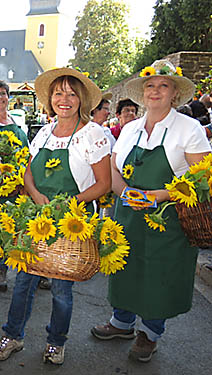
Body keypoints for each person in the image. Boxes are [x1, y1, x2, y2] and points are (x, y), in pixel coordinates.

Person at [0, 67, 111, 365]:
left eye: (71, 93)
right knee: (23, 283)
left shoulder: (92, 134)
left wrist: (71, 202)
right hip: (36, 218)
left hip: (72, 223)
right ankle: (13, 336)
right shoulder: (44, 131)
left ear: (81, 98)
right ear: (50, 99)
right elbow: (28, 171)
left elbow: (104, 183)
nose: (64, 99)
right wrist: (34, 194)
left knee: (61, 289)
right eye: (58, 93)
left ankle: (56, 342)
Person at [91, 60, 211, 363]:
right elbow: (114, 169)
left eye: (163, 85)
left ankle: (150, 333)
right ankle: (122, 323)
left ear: (174, 94)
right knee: (125, 267)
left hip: (168, 219)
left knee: (160, 272)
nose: (155, 91)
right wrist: (123, 192)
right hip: (128, 214)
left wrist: (158, 195)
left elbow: (202, 179)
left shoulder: (189, 129)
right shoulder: (130, 128)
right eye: (150, 86)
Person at [0, 80, 50, 291]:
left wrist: (27, 180)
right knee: (1, 227)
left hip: (21, 184)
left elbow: (27, 153)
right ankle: (0, 269)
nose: (0, 98)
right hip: (0, 186)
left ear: (8, 98)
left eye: (3, 93)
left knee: (25, 225)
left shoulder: (18, 122)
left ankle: (32, 268)